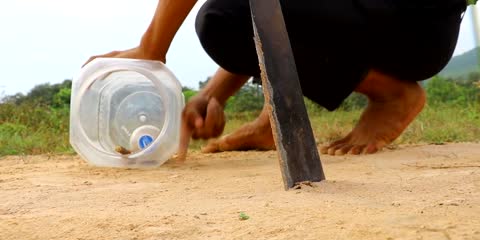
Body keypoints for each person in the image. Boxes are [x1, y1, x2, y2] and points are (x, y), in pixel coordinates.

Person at [85, 0, 468, 159]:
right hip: (412, 30)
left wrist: (152, 46)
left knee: (221, 18)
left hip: (411, 23)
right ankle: (275, 121)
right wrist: (213, 94)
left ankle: (391, 94)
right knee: (225, 18)